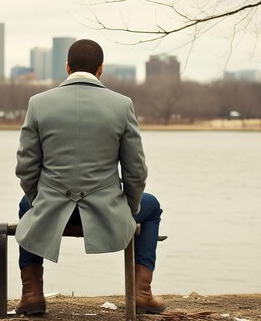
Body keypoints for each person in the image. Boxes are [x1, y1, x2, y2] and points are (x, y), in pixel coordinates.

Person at [14, 39, 166, 315]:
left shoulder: (38, 103)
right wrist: (127, 211)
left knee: (26, 207)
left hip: (52, 211)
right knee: (151, 205)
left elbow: (26, 168)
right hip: (106, 211)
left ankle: (32, 294)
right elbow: (136, 171)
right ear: (100, 70)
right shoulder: (121, 105)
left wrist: (41, 198)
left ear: (67, 67)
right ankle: (142, 293)